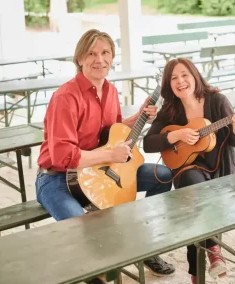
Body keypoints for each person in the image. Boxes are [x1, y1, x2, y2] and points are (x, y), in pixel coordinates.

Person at [35, 29, 175, 284]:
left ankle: (143, 244)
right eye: (91, 53)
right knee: (85, 229)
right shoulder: (65, 97)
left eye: (105, 53)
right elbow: (62, 155)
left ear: (112, 57)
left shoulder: (109, 90)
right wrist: (110, 154)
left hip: (100, 171)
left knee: (162, 175)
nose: (99, 59)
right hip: (58, 180)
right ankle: (96, 278)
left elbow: (110, 132)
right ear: (79, 58)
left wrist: (138, 117)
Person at [143, 58, 235, 283]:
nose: (180, 81)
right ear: (168, 85)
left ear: (195, 76)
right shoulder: (170, 110)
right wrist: (176, 135)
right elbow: (148, 143)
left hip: (222, 170)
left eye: (185, 75)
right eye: (174, 78)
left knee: (197, 205)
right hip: (188, 172)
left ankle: (196, 274)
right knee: (193, 187)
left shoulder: (217, 101)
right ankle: (213, 251)